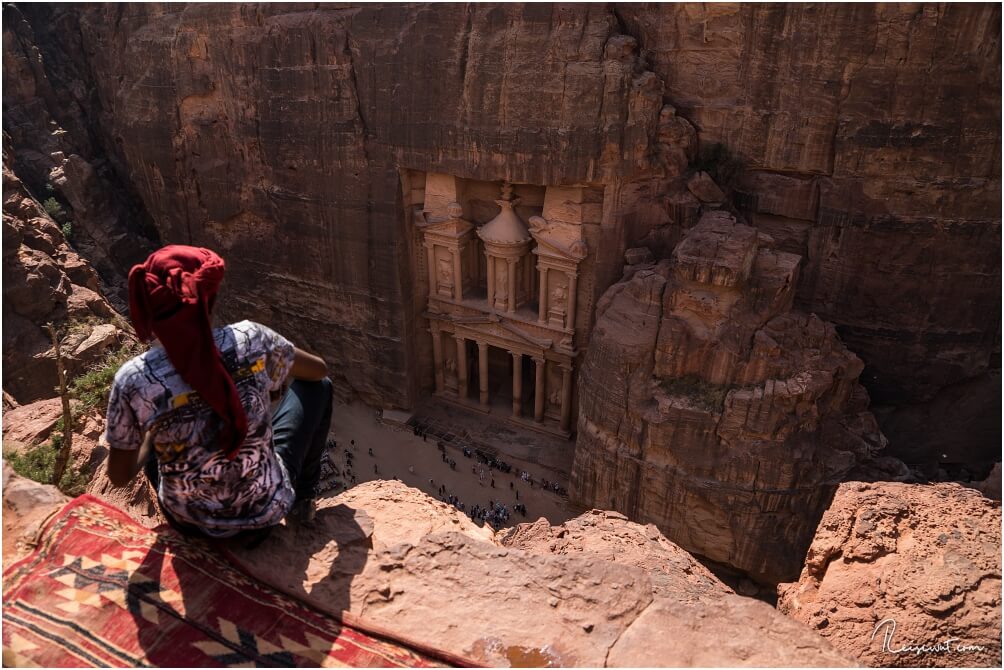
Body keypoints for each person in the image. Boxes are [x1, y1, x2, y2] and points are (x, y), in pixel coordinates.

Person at [102, 245, 331, 541]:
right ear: (210, 298)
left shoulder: (134, 379)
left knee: (150, 431)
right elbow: (319, 371)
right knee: (319, 389)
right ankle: (302, 501)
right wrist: (269, 382)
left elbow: (120, 476)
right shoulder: (252, 340)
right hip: (265, 516)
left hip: (189, 523)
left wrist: (152, 432)